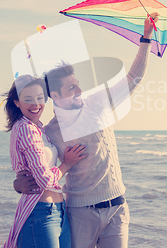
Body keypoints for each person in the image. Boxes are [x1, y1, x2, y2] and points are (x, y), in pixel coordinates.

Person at [15, 13, 158, 248]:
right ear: (56, 96)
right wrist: (18, 182)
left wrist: (146, 38)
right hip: (80, 213)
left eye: (78, 83)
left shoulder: (98, 102)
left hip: (117, 208)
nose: (80, 89)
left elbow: (134, 78)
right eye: (72, 87)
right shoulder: (50, 131)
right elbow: (35, 166)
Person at [3, 75, 87, 248]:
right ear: (17, 102)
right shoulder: (25, 128)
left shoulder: (39, 128)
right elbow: (45, 180)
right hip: (40, 213)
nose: (36, 104)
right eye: (28, 99)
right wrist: (67, 163)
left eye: (40, 98)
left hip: (58, 211)